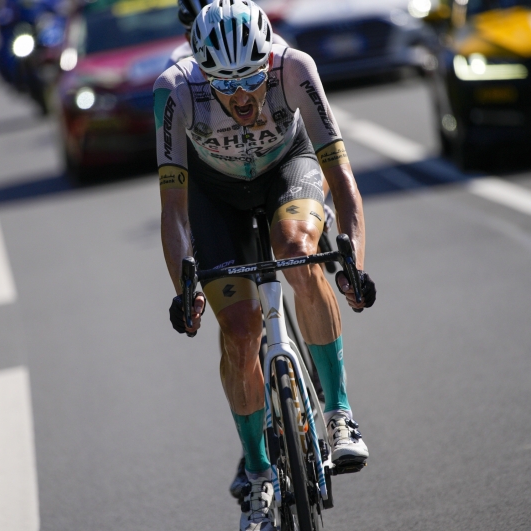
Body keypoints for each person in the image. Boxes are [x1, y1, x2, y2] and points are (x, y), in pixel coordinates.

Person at [154, 1, 376, 529]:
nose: (239, 96)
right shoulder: (174, 88)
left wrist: (353, 264)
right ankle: (258, 475)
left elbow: (342, 179)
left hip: (286, 168)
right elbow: (174, 209)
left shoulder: (294, 68)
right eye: (223, 85)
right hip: (214, 195)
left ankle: (339, 414)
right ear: (199, 65)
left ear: (267, 60)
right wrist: (186, 286)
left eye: (250, 80)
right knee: (238, 329)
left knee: (301, 257)